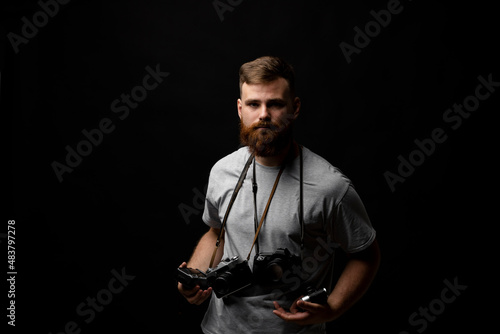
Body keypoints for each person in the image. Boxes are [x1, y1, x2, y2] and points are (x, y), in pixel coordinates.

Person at [177, 56, 380, 333]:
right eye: (253, 104)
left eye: (274, 104)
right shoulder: (222, 171)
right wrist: (196, 277)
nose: (263, 114)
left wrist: (333, 309)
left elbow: (366, 255)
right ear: (240, 109)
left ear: (294, 108)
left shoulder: (330, 187)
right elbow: (217, 233)